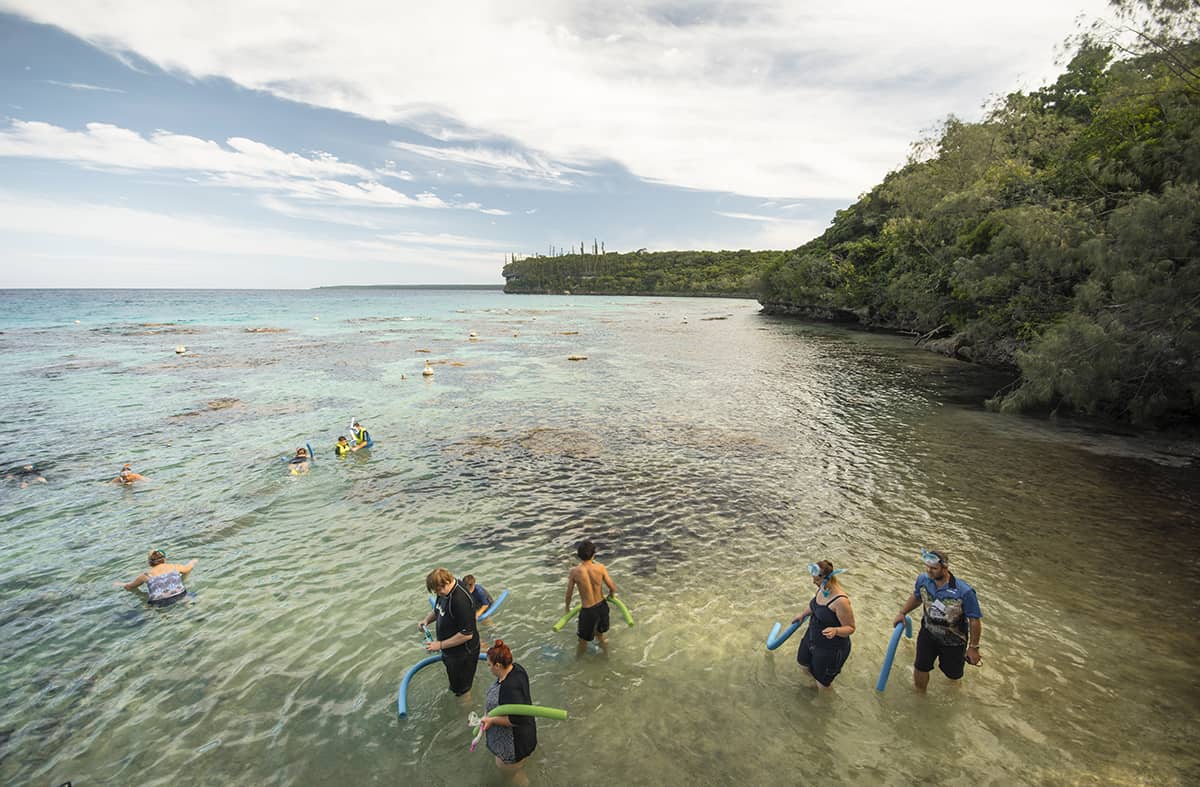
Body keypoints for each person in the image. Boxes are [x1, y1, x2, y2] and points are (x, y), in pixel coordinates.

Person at [892, 549, 983, 691]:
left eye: (934, 568)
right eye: (927, 567)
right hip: (928, 633)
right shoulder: (923, 580)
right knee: (920, 666)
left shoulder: (964, 591)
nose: (929, 571)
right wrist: (902, 612)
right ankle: (920, 696)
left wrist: (973, 648)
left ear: (945, 568)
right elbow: (917, 597)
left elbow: (974, 620)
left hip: (954, 640)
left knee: (953, 676)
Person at [480, 639, 537, 785]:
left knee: (514, 777)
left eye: (489, 665)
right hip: (528, 734)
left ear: (498, 666)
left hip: (515, 745)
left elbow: (517, 719)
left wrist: (491, 720)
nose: (489, 668)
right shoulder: (517, 669)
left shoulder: (508, 689)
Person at [792, 560, 856, 688]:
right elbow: (815, 606)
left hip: (830, 649)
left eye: (816, 580)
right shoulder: (822, 589)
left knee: (822, 684)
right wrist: (803, 615)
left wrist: (836, 631)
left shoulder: (840, 601)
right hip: (812, 639)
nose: (813, 582)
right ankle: (811, 689)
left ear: (827, 579)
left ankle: (824, 704)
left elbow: (851, 628)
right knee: (802, 665)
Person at [418, 567, 481, 696]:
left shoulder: (460, 600)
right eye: (435, 592)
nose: (437, 593)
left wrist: (439, 645)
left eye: (438, 590)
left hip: (463, 654)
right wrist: (426, 621)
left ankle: (465, 713)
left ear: (447, 582)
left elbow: (467, 635)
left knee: (462, 691)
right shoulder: (443, 593)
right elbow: (438, 610)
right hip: (451, 652)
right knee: (455, 685)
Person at [565, 540, 618, 654]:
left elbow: (569, 593)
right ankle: (605, 656)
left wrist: (567, 608)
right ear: (594, 554)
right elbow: (612, 587)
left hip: (588, 611)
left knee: (583, 641)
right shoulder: (601, 568)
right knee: (600, 635)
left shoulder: (574, 572)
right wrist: (611, 596)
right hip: (602, 606)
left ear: (579, 556)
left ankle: (578, 663)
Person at [116, 549, 196, 606]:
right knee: (188, 600)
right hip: (179, 595)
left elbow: (129, 586)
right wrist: (192, 562)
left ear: (149, 562)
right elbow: (188, 569)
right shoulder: (174, 566)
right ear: (164, 559)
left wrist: (121, 584)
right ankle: (188, 606)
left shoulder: (145, 575)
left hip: (158, 601)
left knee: (147, 604)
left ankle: (161, 617)